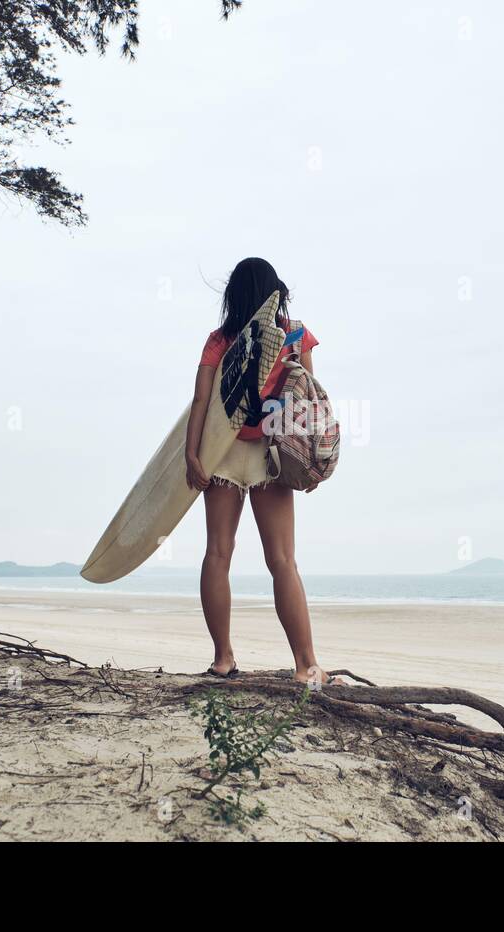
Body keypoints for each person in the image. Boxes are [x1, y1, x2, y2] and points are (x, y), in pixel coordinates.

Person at [184, 257, 339, 686]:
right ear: (275, 290)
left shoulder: (219, 340)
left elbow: (201, 402)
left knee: (218, 553)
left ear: (233, 295)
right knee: (283, 560)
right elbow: (309, 399)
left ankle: (222, 660)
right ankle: (307, 665)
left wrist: (191, 456)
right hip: (272, 452)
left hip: (221, 453)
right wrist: (309, 462)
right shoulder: (295, 333)